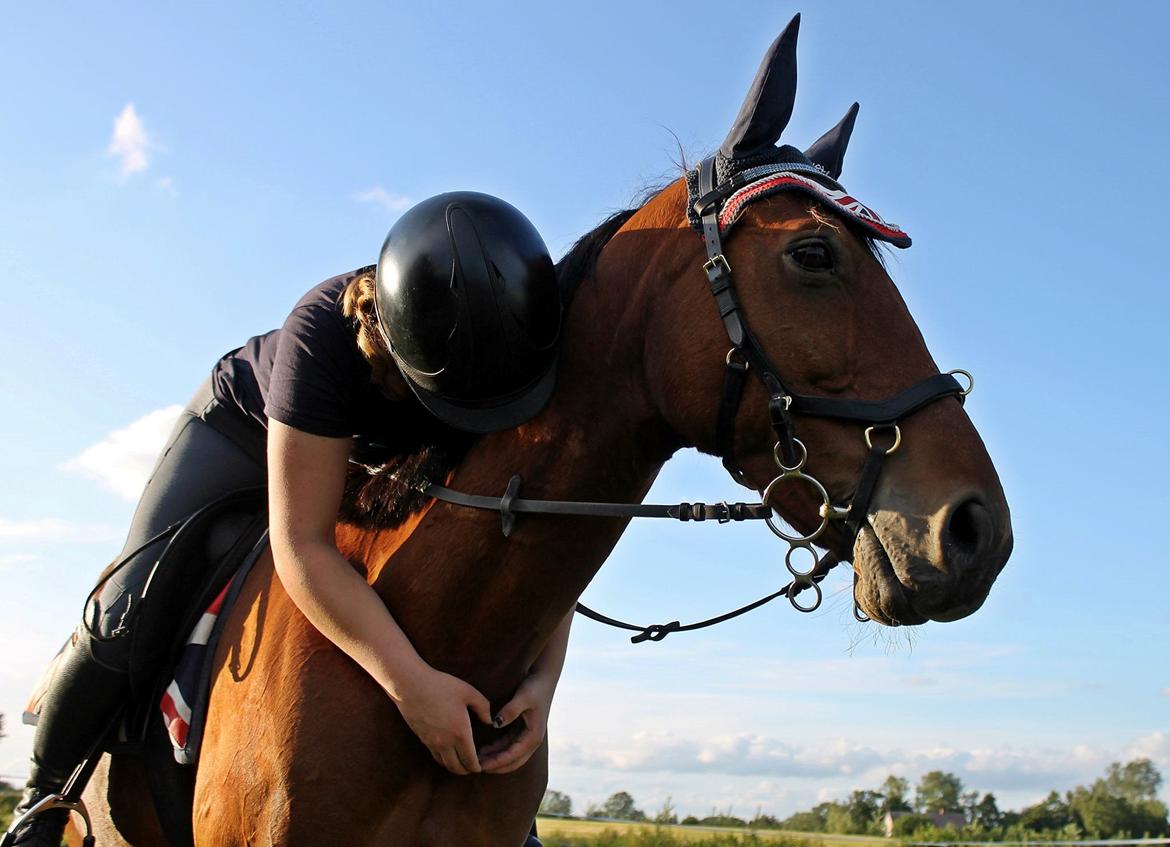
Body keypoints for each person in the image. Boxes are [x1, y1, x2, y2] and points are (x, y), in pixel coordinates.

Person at [9, 192, 566, 847]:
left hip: (377, 459)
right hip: (243, 433)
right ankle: (42, 801)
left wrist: (543, 681)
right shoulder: (321, 334)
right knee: (129, 601)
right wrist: (410, 685)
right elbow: (301, 544)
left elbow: (531, 543)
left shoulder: (509, 335)